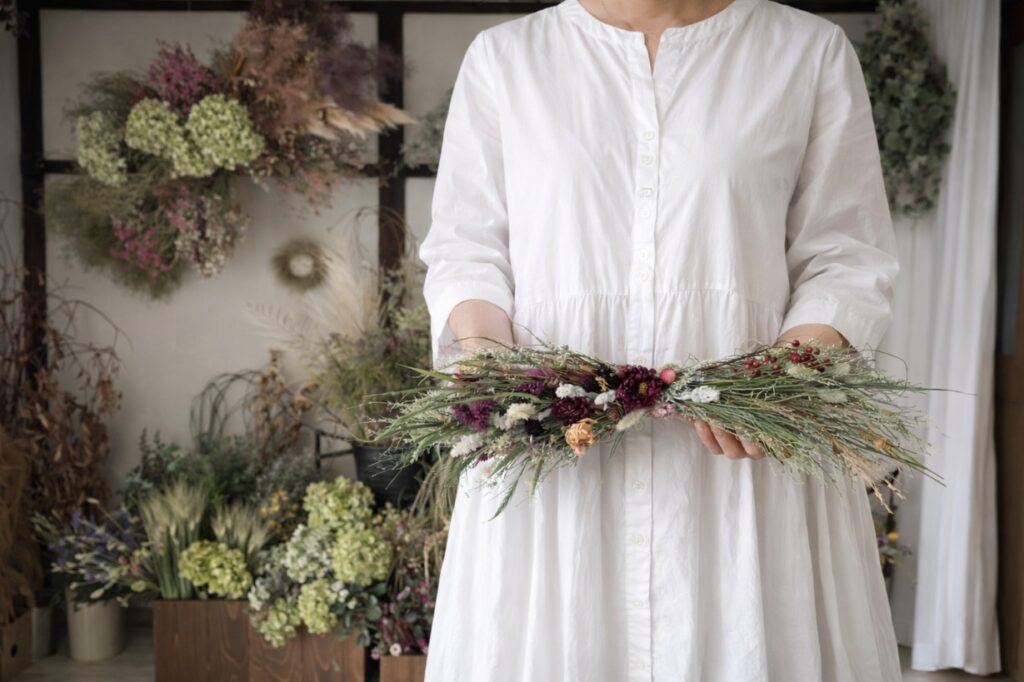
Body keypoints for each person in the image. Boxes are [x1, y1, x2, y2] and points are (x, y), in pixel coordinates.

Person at [417, 0, 901, 679]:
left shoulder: (806, 52)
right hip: (554, 466)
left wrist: (784, 372)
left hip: (747, 468)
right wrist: (491, 363)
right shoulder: (507, 60)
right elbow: (467, 251)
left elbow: (847, 254)